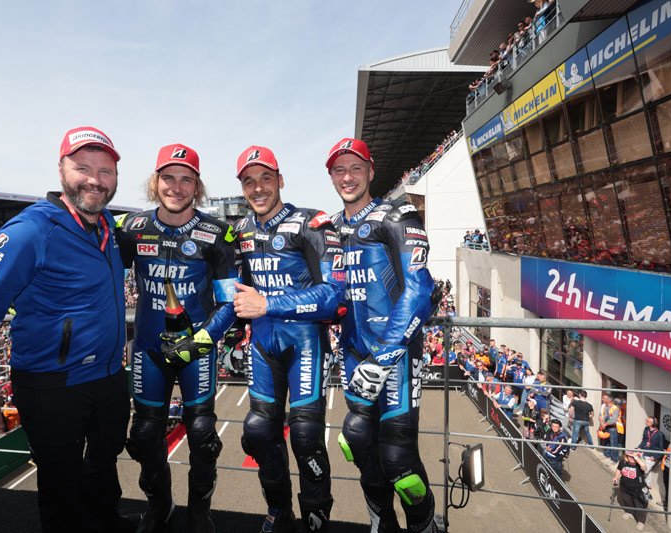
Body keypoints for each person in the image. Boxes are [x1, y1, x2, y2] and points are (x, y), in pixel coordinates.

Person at [0, 126, 133, 533]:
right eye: (83, 168)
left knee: (104, 469)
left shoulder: (109, 227)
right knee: (61, 487)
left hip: (107, 377)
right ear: (61, 170)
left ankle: (108, 524)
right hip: (53, 384)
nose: (95, 180)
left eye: (105, 171)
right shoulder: (29, 231)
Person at [116, 143, 238, 533]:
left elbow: (230, 304)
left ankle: (199, 513)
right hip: (148, 348)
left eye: (186, 179)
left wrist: (197, 343)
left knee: (202, 436)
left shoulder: (218, 234)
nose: (176, 186)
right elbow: (99, 276)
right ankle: (160, 507)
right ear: (155, 182)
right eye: (168, 177)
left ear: (197, 187)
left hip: (197, 350)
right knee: (143, 435)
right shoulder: (130, 228)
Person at [231, 145, 345, 532]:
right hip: (263, 346)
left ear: (280, 180)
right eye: (249, 181)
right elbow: (231, 294)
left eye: (266, 178)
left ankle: (316, 515)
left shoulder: (312, 222)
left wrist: (269, 303)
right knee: (258, 431)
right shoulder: (239, 231)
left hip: (306, 344)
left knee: (306, 435)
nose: (258, 187)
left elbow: (335, 296)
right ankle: (278, 510)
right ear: (242, 188)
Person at [328, 138, 440, 532]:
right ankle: (381, 520)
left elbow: (420, 289)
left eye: (355, 168)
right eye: (339, 170)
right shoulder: (329, 228)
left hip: (396, 355)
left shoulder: (397, 214)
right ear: (331, 177)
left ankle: (424, 525)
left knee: (397, 458)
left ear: (371, 171)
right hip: (353, 354)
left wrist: (383, 357)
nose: (348, 177)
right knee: (357, 438)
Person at [613, 450, 649, 530]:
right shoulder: (623, 462)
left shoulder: (639, 465)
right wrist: (616, 477)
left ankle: (641, 521)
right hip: (625, 488)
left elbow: (644, 467)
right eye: (630, 456)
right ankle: (629, 512)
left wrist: (636, 457)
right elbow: (619, 469)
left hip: (638, 490)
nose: (632, 458)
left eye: (634, 457)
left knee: (639, 506)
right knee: (627, 501)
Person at [636, 416, 666, 490]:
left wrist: (655, 457)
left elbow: (661, 448)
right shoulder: (646, 429)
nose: (646, 422)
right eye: (646, 420)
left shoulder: (660, 434)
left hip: (652, 456)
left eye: (648, 421)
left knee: (644, 470)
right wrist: (639, 447)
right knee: (646, 469)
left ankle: (640, 484)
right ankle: (648, 484)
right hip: (644, 452)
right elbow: (644, 440)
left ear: (653, 424)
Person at [599, 394, 621, 462]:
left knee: (613, 443)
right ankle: (607, 454)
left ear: (609, 400)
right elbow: (600, 415)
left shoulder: (615, 408)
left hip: (612, 428)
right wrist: (602, 423)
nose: (602, 399)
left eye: (604, 398)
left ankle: (614, 459)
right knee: (606, 442)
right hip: (605, 427)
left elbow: (613, 420)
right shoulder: (603, 406)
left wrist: (605, 424)